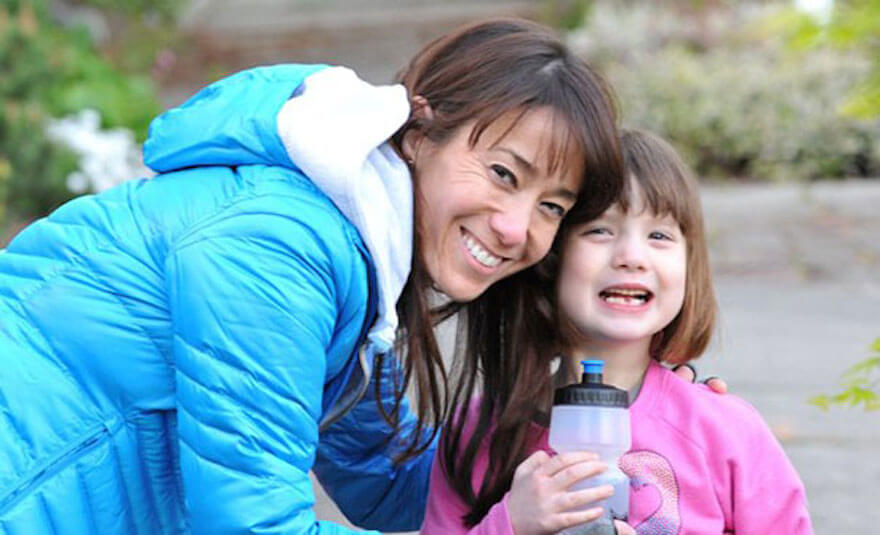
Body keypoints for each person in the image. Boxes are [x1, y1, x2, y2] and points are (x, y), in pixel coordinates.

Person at [0, 18, 629, 534]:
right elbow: (253, 527)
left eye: (552, 206)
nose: (518, 228)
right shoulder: (283, 248)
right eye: (502, 174)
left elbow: (391, 481)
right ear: (419, 131)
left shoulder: (352, 251)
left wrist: (641, 421)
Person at [421, 129, 812, 534]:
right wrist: (513, 524)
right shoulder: (477, 433)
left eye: (659, 236)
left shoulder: (725, 432)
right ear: (548, 256)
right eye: (600, 231)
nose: (631, 257)